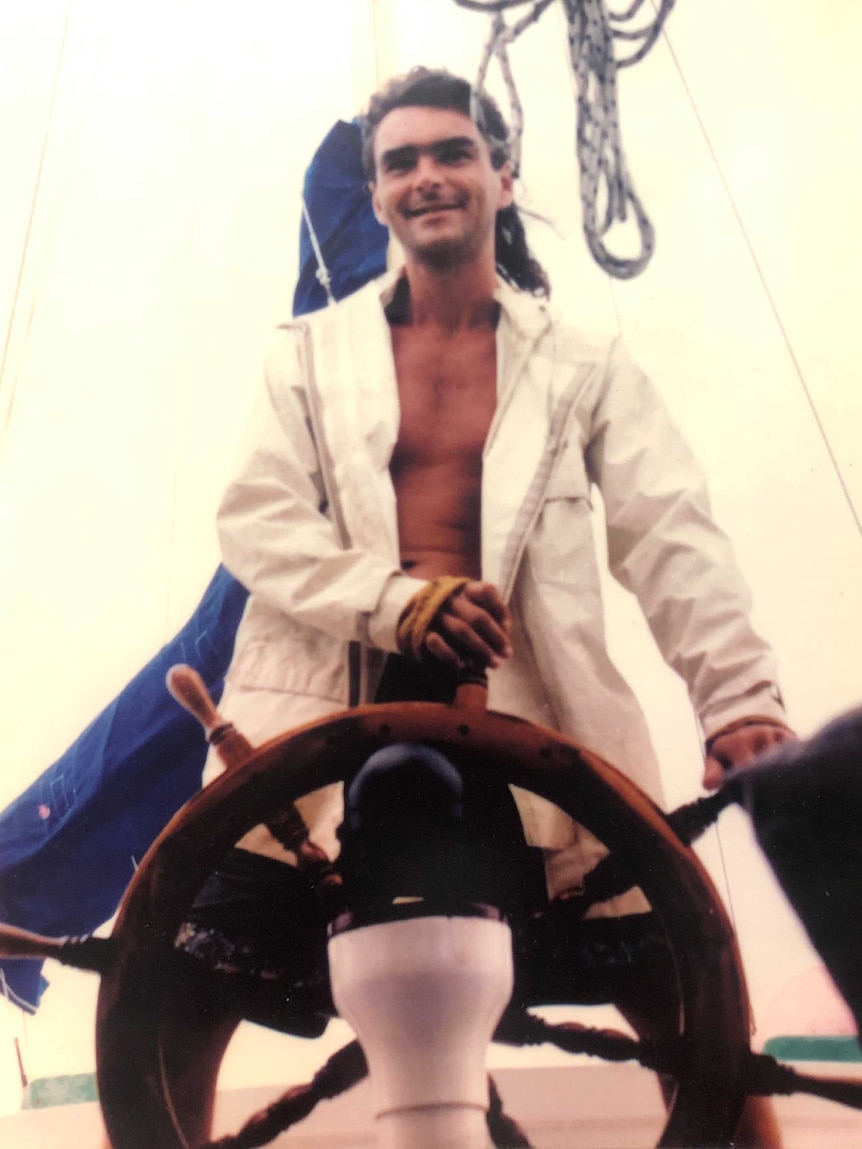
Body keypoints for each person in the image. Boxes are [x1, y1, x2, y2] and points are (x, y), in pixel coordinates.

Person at [164, 67, 795, 1146]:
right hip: (314, 739)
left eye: (452, 152)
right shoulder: (306, 359)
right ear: (374, 196)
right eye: (399, 161)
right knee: (167, 1004)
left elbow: (669, 530)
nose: (427, 176)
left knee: (698, 1012)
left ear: (503, 174)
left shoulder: (584, 362)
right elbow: (256, 521)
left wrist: (738, 697)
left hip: (538, 734)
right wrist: (394, 603)